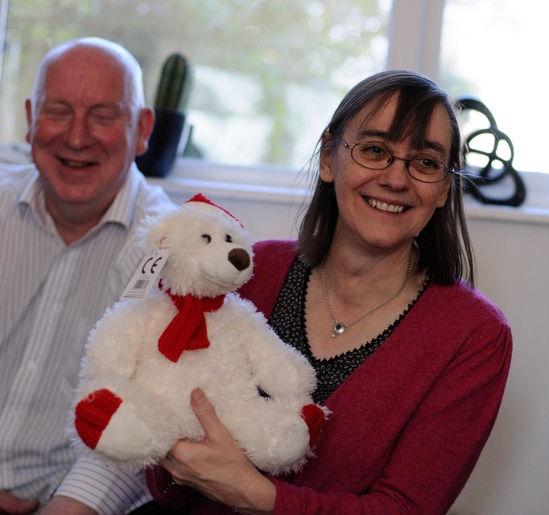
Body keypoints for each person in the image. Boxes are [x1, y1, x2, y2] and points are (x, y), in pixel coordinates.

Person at [147, 69, 512, 514]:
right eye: (374, 150)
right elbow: (162, 470)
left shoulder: (474, 336)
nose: (397, 180)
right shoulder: (246, 274)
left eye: (426, 162)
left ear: (443, 189)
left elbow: (404, 509)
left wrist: (256, 494)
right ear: (327, 158)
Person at [0, 37, 174, 514]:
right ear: (31, 117)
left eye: (102, 116)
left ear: (142, 129)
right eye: (58, 111)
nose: (76, 138)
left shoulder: (170, 256)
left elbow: (143, 424)